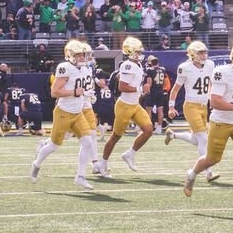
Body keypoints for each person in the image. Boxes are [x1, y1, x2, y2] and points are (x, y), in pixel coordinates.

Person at [182, 40, 233, 211]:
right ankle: (192, 174)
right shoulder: (221, 72)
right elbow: (215, 102)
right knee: (212, 159)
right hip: (220, 122)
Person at [29, 39, 97, 192]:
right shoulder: (64, 68)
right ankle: (36, 164)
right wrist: (74, 92)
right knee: (54, 145)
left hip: (78, 112)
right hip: (64, 112)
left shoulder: (85, 69)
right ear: (70, 55)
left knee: (87, 142)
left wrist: (87, 94)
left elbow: (81, 89)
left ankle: (80, 176)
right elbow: (54, 92)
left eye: (83, 55)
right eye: (79, 55)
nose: (82, 57)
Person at [97, 36, 154, 175]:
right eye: (137, 51)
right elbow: (122, 87)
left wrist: (142, 92)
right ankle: (102, 164)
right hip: (125, 106)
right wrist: (140, 89)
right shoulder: (128, 65)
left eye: (140, 51)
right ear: (130, 52)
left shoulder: (138, 65)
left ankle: (129, 154)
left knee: (148, 130)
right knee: (115, 137)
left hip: (135, 105)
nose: (140, 54)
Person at [164, 41, 219, 183]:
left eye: (205, 52)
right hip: (191, 106)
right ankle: (208, 172)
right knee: (203, 139)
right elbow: (175, 89)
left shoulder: (210, 65)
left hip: (203, 106)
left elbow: (211, 84)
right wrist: (171, 107)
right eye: (201, 52)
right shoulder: (185, 68)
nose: (204, 55)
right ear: (193, 54)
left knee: (196, 139)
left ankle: (173, 135)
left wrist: (212, 99)